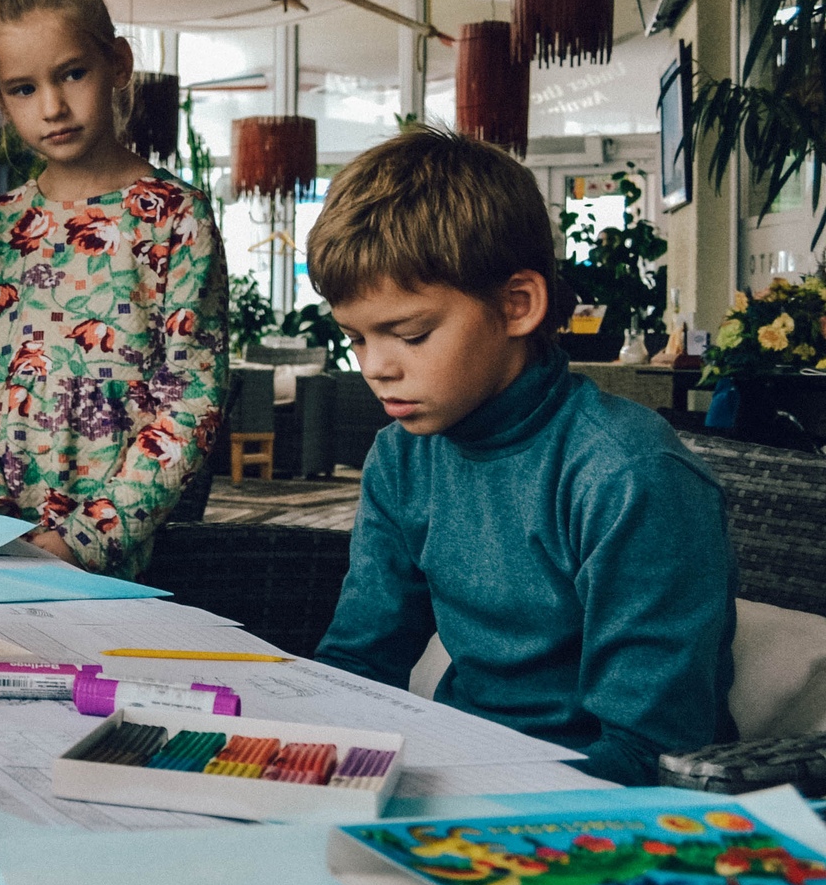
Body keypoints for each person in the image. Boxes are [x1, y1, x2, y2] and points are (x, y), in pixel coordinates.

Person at [309, 127, 736, 784]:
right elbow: (359, 664)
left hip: (600, 801)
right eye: (357, 338)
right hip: (458, 767)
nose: (376, 367)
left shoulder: (627, 475)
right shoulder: (401, 456)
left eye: (411, 334)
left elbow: (650, 751)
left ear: (517, 305)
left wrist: (455, 790)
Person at [0, 0, 228, 577]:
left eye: (72, 73)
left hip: (119, 555)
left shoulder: (176, 217)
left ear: (118, 63)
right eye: (24, 88)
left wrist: (88, 538)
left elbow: (190, 400)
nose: (53, 106)